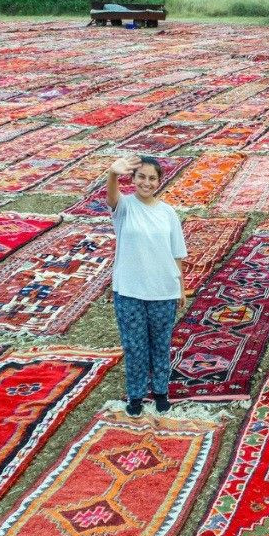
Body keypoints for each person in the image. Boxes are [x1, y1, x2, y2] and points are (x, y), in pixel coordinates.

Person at [107, 155, 187, 416]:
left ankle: (161, 391)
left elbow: (177, 253)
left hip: (163, 289)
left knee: (161, 344)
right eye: (141, 176)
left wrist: (180, 287)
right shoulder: (125, 207)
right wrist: (112, 174)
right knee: (134, 345)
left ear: (159, 182)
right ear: (133, 179)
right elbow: (111, 199)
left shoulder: (168, 213)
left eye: (152, 178)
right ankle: (136, 395)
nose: (146, 182)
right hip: (129, 290)